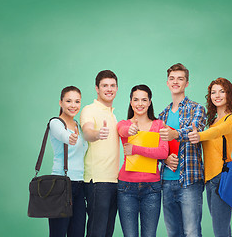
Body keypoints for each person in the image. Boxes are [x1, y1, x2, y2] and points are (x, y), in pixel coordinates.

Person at [188, 77, 232, 237]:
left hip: (221, 177)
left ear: (229, 94)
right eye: (213, 92)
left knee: (220, 230)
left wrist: (200, 135)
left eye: (222, 91)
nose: (217, 95)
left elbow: (218, 131)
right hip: (209, 179)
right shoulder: (211, 121)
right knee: (222, 228)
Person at [158, 63, 207, 237]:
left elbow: (196, 130)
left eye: (180, 78)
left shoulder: (197, 109)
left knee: (192, 232)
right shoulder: (162, 115)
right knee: (173, 233)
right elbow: (156, 147)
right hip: (166, 181)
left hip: (190, 181)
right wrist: (164, 160)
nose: (175, 82)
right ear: (167, 83)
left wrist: (175, 133)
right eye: (172, 78)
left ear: (187, 83)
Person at [117, 84, 168, 237]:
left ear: (150, 102)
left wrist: (135, 149)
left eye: (144, 100)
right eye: (136, 100)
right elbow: (122, 131)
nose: (140, 104)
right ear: (131, 102)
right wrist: (130, 130)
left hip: (152, 187)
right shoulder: (124, 124)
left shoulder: (159, 125)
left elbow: (163, 153)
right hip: (126, 187)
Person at [80, 70, 120, 237]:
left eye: (112, 85)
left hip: (114, 181)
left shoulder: (113, 114)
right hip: (97, 181)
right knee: (97, 232)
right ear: (97, 88)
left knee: (107, 232)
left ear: (117, 88)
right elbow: (87, 131)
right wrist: (97, 134)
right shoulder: (89, 110)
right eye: (105, 85)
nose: (109, 89)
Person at [48, 86, 88, 237]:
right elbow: (62, 135)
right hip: (61, 185)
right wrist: (69, 138)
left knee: (77, 233)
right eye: (68, 101)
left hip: (80, 185)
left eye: (77, 101)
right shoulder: (56, 123)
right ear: (61, 102)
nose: (73, 105)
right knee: (58, 233)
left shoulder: (78, 125)